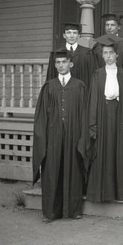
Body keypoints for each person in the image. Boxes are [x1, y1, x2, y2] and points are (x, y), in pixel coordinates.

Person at [33, 51, 87, 223]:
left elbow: (85, 115)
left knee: (73, 170)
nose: (61, 65)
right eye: (58, 62)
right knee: (52, 170)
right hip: (53, 135)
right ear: (55, 65)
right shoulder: (49, 87)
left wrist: (82, 137)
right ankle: (51, 212)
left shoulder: (80, 86)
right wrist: (43, 138)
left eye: (64, 61)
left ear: (71, 64)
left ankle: (73, 210)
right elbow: (41, 117)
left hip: (74, 135)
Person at [85, 38, 123, 202]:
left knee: (119, 150)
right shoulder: (98, 74)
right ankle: (103, 192)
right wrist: (93, 123)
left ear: (117, 55)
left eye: (111, 53)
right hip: (103, 114)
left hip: (120, 114)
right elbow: (93, 99)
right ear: (102, 55)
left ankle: (120, 192)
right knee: (104, 150)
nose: (108, 56)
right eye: (105, 53)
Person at [46, 23, 96, 89]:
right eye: (68, 33)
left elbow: (91, 77)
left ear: (79, 36)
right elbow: (51, 76)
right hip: (61, 93)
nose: (71, 36)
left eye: (75, 33)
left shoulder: (87, 53)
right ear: (64, 35)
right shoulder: (56, 54)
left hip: (81, 93)